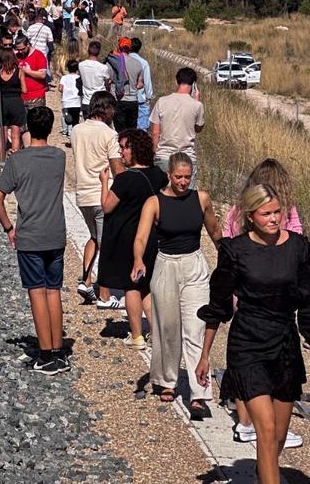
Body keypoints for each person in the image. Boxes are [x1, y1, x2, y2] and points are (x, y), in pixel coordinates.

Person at [195, 184, 310, 484]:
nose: (273, 219)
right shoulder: (235, 250)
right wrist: (204, 355)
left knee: (278, 437)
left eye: (277, 212)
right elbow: (218, 305)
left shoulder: (298, 248)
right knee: (266, 430)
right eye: (266, 213)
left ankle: (264, 469)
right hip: (248, 344)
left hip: (284, 344)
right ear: (250, 216)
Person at [220, 159, 306, 449]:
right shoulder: (287, 216)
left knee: (252, 372)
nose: (273, 217)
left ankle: (246, 420)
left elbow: (227, 237)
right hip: (265, 291)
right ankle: (255, 422)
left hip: (244, 293)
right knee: (254, 366)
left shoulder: (237, 213)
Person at [134, 152, 220, 419]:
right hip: (166, 265)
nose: (183, 182)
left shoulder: (201, 199)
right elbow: (141, 237)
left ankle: (199, 392)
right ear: (169, 175)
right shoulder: (154, 202)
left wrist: (230, 261)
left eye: (187, 177)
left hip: (194, 265)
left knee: (195, 328)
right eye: (178, 177)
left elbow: (215, 232)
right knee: (168, 327)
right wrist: (138, 260)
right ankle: (167, 379)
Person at [0, 106, 70, 375]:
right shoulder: (59, 157)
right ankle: (59, 351)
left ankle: (45, 353)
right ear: (49, 128)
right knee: (53, 290)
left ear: (28, 128)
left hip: (30, 235)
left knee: (36, 291)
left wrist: (9, 229)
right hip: (56, 232)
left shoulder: (17, 161)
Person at [99, 129, 169, 350]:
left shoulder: (125, 179)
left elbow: (107, 206)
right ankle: (156, 333)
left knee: (131, 285)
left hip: (127, 237)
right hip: (151, 235)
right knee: (145, 285)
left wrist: (104, 182)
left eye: (124, 148)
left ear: (134, 150)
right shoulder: (159, 175)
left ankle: (137, 334)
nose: (121, 153)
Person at [72, 91, 125, 307]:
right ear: (107, 109)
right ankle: (105, 295)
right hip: (102, 194)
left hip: (83, 194)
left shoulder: (76, 130)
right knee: (107, 244)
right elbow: (116, 168)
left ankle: (86, 281)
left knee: (94, 237)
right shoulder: (108, 134)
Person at [149, 67, 204, 179]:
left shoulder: (161, 101)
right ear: (194, 85)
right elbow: (198, 129)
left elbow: (155, 132)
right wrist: (196, 100)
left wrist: (155, 152)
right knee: (187, 194)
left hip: (164, 155)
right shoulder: (197, 105)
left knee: (164, 194)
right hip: (187, 157)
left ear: (176, 81)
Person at [0, 48, 27, 155]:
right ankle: (14, 157)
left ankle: (2, 159)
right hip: (16, 102)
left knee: (2, 133)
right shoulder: (19, 71)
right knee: (15, 132)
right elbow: (25, 90)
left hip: (3, 102)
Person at [107, 37, 144, 131]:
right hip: (133, 101)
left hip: (119, 100)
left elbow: (108, 80)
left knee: (120, 131)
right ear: (130, 48)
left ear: (119, 46)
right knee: (131, 131)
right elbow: (140, 84)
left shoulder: (114, 62)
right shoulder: (138, 63)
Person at [78, 41, 112, 118]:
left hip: (86, 101)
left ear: (88, 50)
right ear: (99, 52)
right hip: (100, 101)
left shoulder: (81, 65)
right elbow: (107, 82)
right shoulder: (103, 67)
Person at [14, 34, 48, 110]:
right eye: (18, 49)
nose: (20, 51)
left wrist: (27, 71)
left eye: (22, 49)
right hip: (21, 96)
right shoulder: (17, 56)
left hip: (36, 97)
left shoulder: (38, 55)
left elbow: (42, 75)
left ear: (28, 45)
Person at [128, 37, 154, 131]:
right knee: (141, 128)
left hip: (127, 98)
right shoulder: (144, 63)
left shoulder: (124, 61)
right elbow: (147, 81)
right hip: (140, 98)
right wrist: (149, 97)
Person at [59, 59, 82, 140]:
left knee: (67, 117)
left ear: (67, 68)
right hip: (76, 102)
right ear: (77, 69)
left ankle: (66, 131)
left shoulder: (64, 78)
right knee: (76, 120)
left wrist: (65, 91)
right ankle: (74, 135)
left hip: (66, 102)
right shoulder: (79, 78)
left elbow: (60, 88)